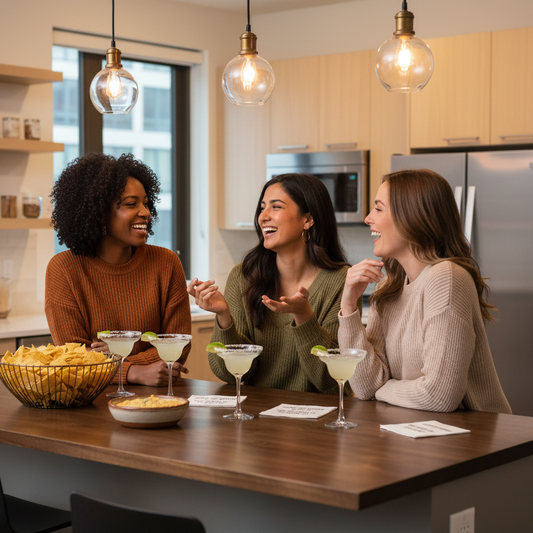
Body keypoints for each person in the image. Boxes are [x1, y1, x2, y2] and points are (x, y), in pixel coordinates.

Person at [339, 168, 511, 413]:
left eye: (378, 208)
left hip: (477, 439)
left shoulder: (446, 277)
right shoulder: (388, 290)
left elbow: (439, 396)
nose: (368, 218)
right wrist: (348, 307)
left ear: (412, 216)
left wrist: (383, 389)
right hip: (419, 434)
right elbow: (365, 387)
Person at [188, 173, 362, 393]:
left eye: (276, 207)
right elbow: (231, 376)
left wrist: (304, 316)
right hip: (255, 415)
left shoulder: (341, 282)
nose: (263, 216)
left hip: (317, 421)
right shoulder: (243, 277)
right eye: (262, 208)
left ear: (307, 219)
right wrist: (224, 318)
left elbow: (329, 380)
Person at [45, 152, 191, 387]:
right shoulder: (63, 269)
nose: (145, 212)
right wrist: (132, 372)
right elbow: (74, 360)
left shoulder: (167, 262)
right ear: (98, 212)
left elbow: (179, 345)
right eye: (131, 204)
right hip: (92, 406)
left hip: (160, 400)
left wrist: (113, 359)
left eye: (145, 202)